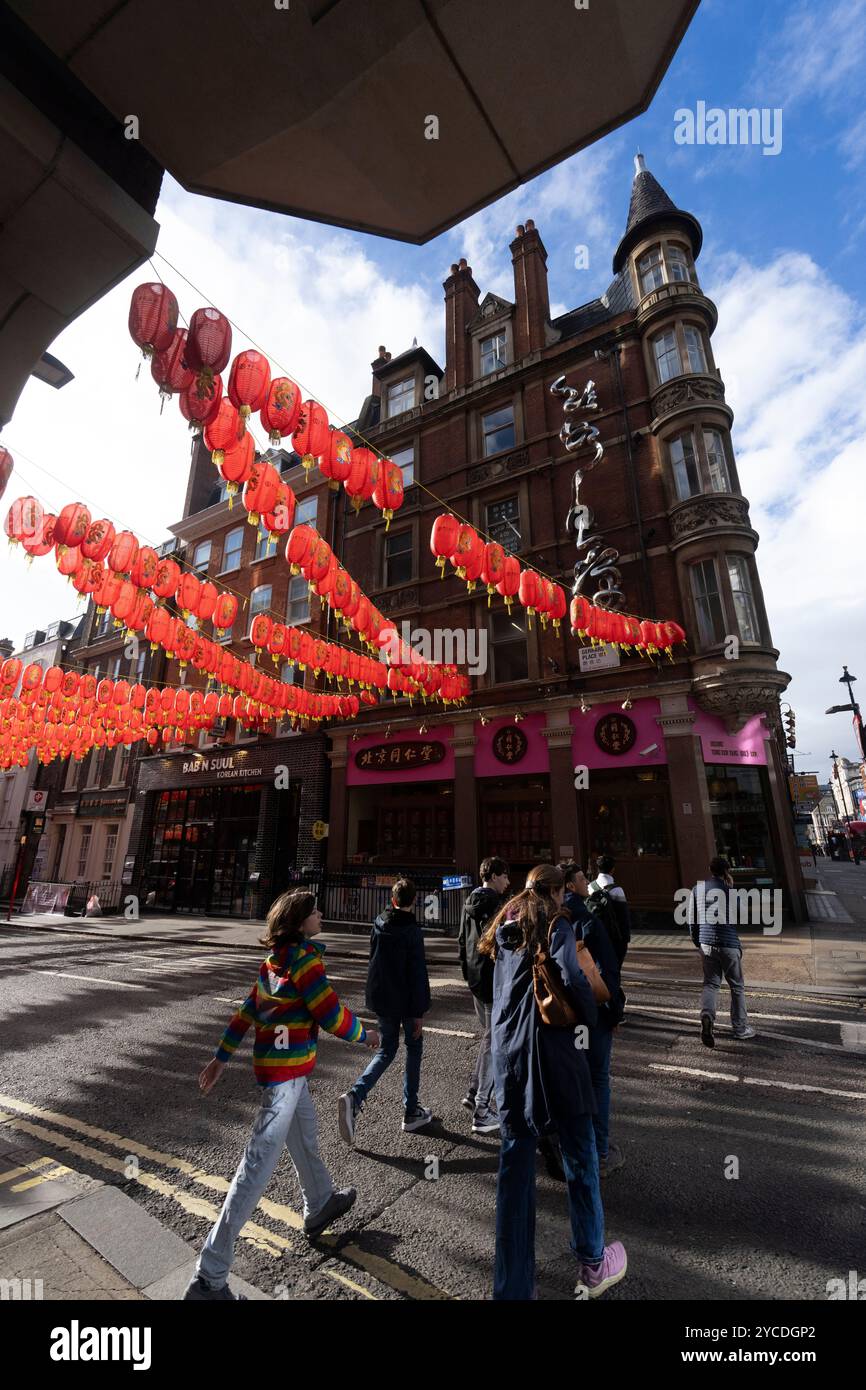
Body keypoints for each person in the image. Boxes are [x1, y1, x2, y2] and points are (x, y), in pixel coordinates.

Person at [184, 891, 379, 1301]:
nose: (321, 914)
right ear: (300, 921)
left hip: (285, 1072)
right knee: (255, 1166)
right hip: (285, 1077)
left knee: (305, 1133)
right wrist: (366, 1035)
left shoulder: (274, 963)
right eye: (315, 911)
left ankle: (320, 1202)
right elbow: (330, 1014)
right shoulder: (305, 963)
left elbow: (245, 1013)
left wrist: (221, 1059)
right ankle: (210, 1277)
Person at [481, 862, 627, 1301]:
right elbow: (572, 977)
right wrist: (594, 1013)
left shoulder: (506, 925)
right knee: (580, 1158)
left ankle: (511, 1289)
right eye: (565, 891)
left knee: (515, 1167)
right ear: (558, 891)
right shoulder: (556, 922)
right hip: (554, 1056)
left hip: (508, 1059)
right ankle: (592, 1261)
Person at [338, 878, 433, 1142]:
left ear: (392, 900)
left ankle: (356, 1096)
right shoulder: (412, 931)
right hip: (406, 1000)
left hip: (383, 999)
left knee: (386, 1050)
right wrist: (419, 1012)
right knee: (413, 1048)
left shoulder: (378, 924)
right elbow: (417, 974)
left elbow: (373, 961)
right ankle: (411, 1110)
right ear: (414, 902)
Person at [575, 864, 630, 1178]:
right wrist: (613, 1011)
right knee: (597, 1077)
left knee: (573, 1074)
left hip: (563, 1017)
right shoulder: (589, 921)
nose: (586, 881)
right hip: (592, 1011)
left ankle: (574, 1146)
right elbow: (605, 973)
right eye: (580, 879)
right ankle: (598, 1151)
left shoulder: (556, 920)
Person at [458, 856, 510, 1134]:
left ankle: (474, 1090)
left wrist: (466, 973)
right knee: (493, 1042)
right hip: (493, 979)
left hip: (475, 978)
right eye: (504, 877)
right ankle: (482, 1109)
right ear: (494, 876)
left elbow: (461, 940)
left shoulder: (468, 903)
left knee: (489, 1036)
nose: (508, 882)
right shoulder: (499, 906)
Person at [687, 856, 756, 1047]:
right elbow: (740, 917)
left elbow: (692, 920)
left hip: (706, 943)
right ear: (727, 871)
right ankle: (740, 1028)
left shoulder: (697, 889)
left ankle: (707, 1016)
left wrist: (697, 942)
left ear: (710, 870)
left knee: (710, 983)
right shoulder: (730, 891)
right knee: (737, 986)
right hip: (729, 943)